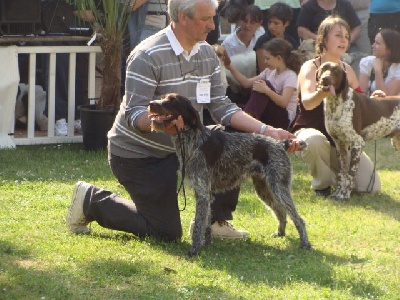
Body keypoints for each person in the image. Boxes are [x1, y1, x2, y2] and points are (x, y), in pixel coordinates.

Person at [66, 0, 302, 242]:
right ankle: (90, 200)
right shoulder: (147, 54)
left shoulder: (207, 53)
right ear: (182, 17)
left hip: (185, 147)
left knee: (232, 132)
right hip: (140, 155)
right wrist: (161, 124)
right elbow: (134, 113)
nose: (213, 25)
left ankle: (214, 221)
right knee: (166, 232)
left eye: (213, 18)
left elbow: (221, 105)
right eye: (205, 19)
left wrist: (268, 131)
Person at [291, 15, 381, 197]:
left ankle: (337, 175)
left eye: (347, 36)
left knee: (370, 187)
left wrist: (374, 99)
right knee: (315, 141)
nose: (344, 40)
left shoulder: (347, 69)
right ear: (323, 39)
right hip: (311, 132)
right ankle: (322, 185)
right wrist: (322, 93)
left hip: (341, 140)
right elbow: (308, 103)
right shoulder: (310, 66)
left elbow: (360, 103)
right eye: (338, 35)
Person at [225, 38, 300, 129]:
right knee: (235, 107)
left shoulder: (290, 75)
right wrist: (229, 66)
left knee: (264, 84)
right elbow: (246, 83)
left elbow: (284, 102)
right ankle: (244, 118)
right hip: (268, 115)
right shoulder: (269, 71)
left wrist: (266, 90)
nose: (265, 62)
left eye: (267, 58)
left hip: (283, 119)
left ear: (279, 58)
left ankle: (246, 121)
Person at [296, 0, 362, 52]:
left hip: (345, 46)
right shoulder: (308, 6)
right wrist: (322, 40)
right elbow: (301, 30)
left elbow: (356, 27)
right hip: (318, 46)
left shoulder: (345, 4)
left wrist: (348, 41)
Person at [254, 2, 300, 74]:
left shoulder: (291, 42)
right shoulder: (262, 41)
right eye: (269, 22)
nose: (271, 27)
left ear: (286, 23)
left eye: (276, 23)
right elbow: (264, 71)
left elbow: (296, 66)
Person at [359, 28, 400, 97]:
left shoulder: (398, 68)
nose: (373, 46)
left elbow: (385, 99)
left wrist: (378, 71)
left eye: (377, 43)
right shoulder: (366, 62)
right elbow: (361, 95)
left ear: (389, 50)